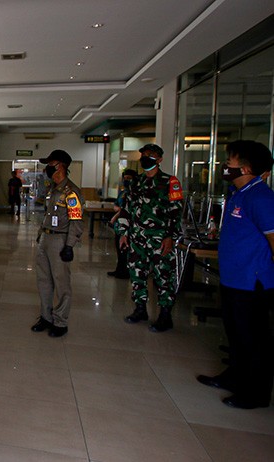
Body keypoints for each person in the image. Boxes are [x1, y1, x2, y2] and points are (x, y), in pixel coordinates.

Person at [196, 140, 274, 410]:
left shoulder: (260, 198)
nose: (225, 166)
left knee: (253, 338)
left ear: (247, 167)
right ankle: (234, 377)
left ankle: (255, 393)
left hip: (252, 281)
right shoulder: (236, 193)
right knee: (235, 334)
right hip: (232, 278)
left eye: (230, 161)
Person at [119, 144, 183, 332]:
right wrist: (123, 233)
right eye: (144, 155)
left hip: (160, 239)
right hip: (138, 238)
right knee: (137, 274)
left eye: (151, 155)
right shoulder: (136, 183)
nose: (146, 158)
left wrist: (170, 236)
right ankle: (140, 309)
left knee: (163, 276)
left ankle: (165, 314)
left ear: (160, 159)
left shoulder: (170, 182)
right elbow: (127, 209)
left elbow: (176, 212)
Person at [30, 150, 84, 338]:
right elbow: (47, 215)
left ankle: (60, 321)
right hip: (45, 238)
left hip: (60, 240)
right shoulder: (52, 189)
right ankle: (46, 317)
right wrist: (39, 236)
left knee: (61, 283)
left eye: (50, 164)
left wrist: (69, 245)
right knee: (44, 280)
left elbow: (76, 221)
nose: (47, 168)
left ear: (60, 166)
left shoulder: (71, 192)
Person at [107, 169, 138, 279]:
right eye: (125, 178)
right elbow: (116, 206)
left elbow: (127, 210)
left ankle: (125, 272)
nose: (126, 181)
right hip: (119, 226)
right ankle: (119, 270)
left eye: (129, 178)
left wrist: (116, 215)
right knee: (119, 249)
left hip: (129, 227)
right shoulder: (123, 192)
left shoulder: (135, 193)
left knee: (125, 250)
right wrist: (119, 211)